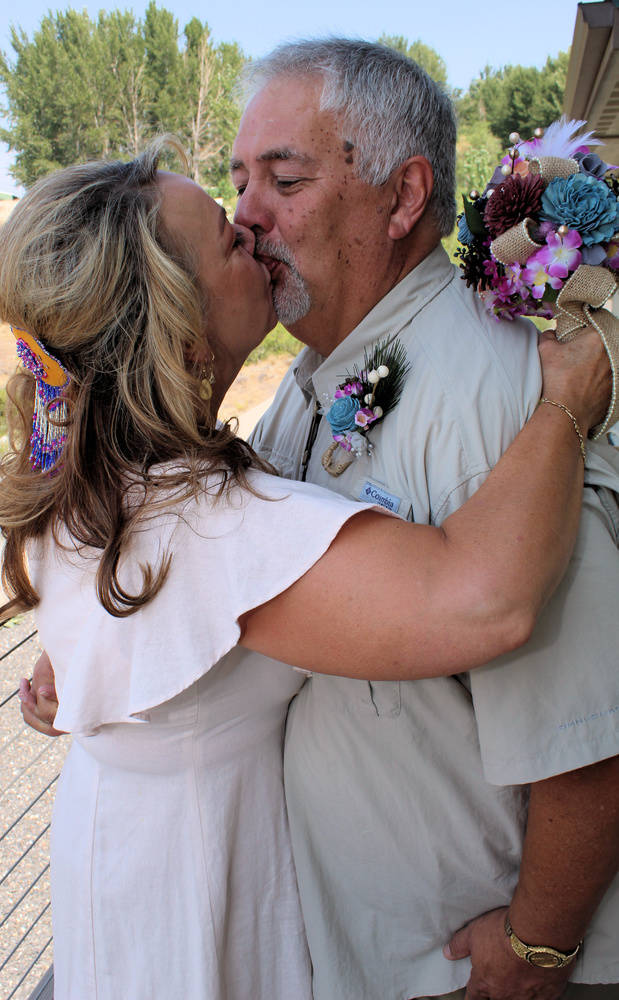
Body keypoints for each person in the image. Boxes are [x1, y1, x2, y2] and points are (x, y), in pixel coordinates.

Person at [0, 140, 609, 1000]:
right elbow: (483, 601)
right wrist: (565, 406)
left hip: (125, 846)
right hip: (195, 879)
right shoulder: (203, 521)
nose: (250, 223)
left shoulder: (90, 463)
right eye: (228, 238)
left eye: (277, 184)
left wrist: (92, 668)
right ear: (182, 334)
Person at [229, 40, 619, 1000]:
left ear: (402, 196)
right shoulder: (306, 383)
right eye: (238, 182)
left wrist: (535, 948)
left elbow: (590, 737)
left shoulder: (500, 396)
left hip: (473, 972)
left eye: (284, 180)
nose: (246, 215)